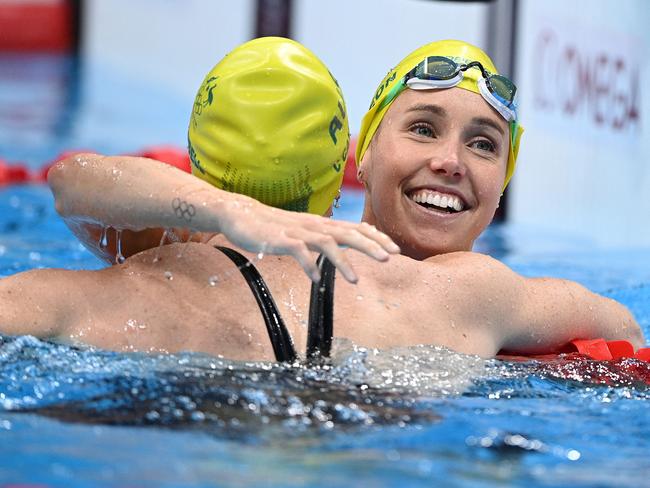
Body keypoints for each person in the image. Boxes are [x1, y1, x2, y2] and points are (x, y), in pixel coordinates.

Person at [0, 39, 644, 363]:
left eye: (483, 144)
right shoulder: (478, 297)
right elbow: (623, 333)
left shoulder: (135, 272)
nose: (449, 160)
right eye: (422, 127)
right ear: (353, 161)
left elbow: (73, 181)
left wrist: (221, 213)